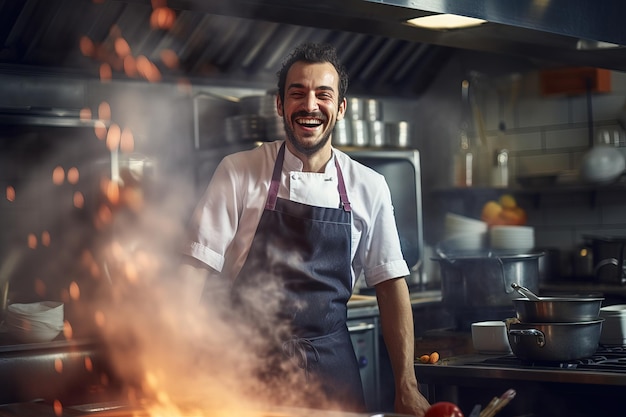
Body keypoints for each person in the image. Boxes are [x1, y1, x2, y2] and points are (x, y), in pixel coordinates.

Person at [179, 42, 431, 416]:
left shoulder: (369, 186)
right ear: (280, 104)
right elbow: (193, 272)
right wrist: (177, 367)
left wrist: (406, 385)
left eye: (323, 95)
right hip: (247, 372)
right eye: (297, 93)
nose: (310, 105)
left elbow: (391, 284)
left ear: (340, 108)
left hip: (334, 376)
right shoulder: (238, 172)